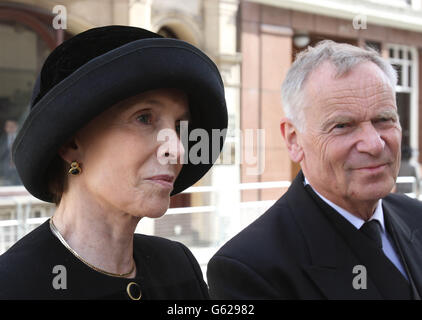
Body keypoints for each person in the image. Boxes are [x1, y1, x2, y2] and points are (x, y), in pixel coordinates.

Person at [0, 25, 227, 300]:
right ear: (71, 144)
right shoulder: (15, 286)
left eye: (179, 126)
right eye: (144, 118)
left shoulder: (177, 266)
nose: (177, 149)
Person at [207, 40, 422, 299]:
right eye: (343, 126)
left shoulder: (415, 217)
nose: (374, 144)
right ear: (293, 140)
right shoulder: (249, 269)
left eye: (384, 119)